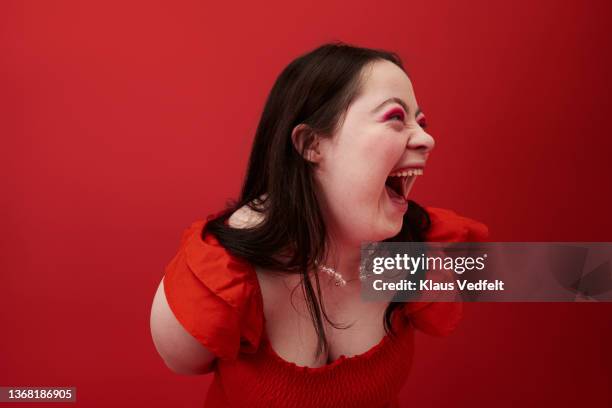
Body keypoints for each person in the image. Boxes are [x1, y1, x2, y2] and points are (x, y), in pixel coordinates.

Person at [149, 42, 488, 408]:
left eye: (420, 123)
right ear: (311, 144)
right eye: (395, 117)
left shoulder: (413, 255)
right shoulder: (222, 280)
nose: (427, 139)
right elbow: (182, 360)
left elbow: (549, 276)